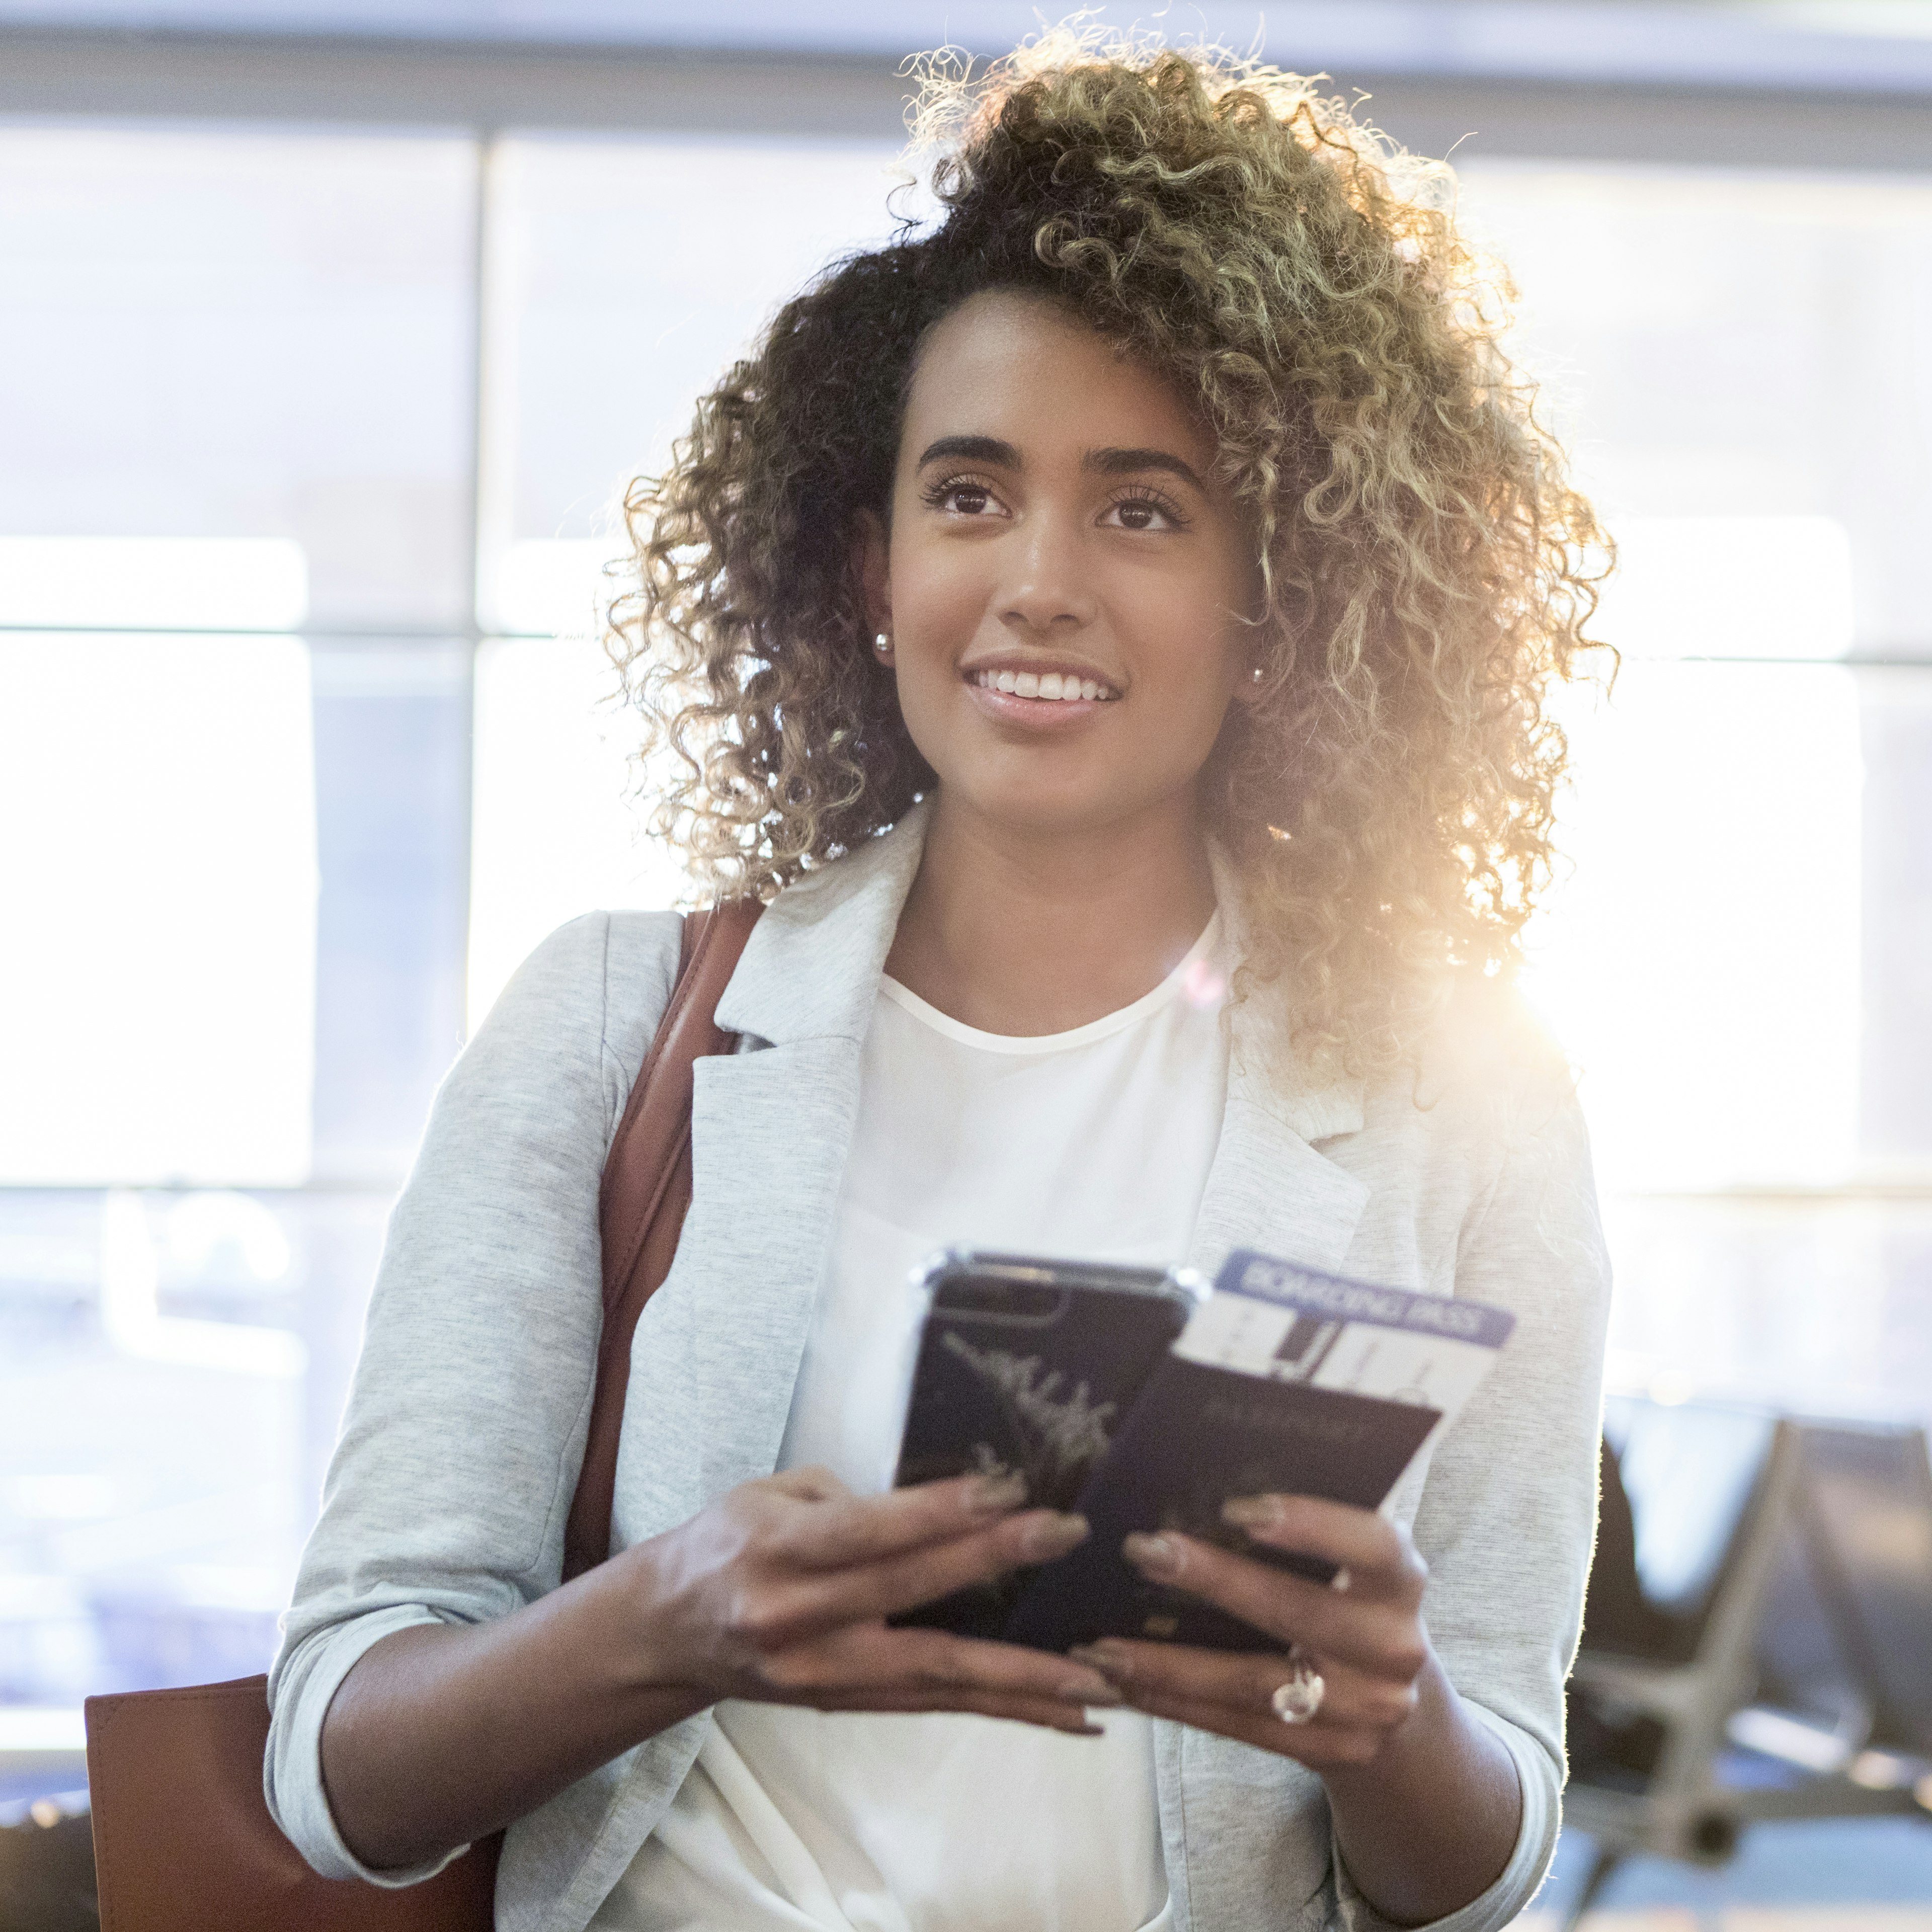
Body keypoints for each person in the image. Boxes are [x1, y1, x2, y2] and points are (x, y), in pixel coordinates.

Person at [267, 33, 1614, 1932]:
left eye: (1141, 510)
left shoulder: (1467, 1095)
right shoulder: (605, 1024)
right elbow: (340, 1765)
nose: (1038, 583)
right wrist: (674, 1625)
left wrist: (1381, 1724)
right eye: (970, 496)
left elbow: (1484, 1865)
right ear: (871, 566)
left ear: (1272, 601)